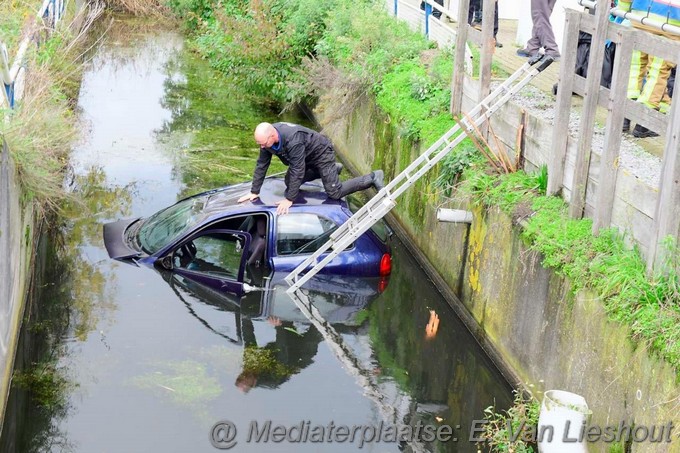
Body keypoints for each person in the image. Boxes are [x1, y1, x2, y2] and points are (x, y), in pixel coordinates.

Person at [238, 122, 384, 215]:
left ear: (272, 136)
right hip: (305, 156)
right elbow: (261, 164)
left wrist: (289, 199)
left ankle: (372, 177)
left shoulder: (292, 140)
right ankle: (332, 170)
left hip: (321, 153)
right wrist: (254, 191)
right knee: (289, 182)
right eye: (260, 144)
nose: (262, 147)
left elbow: (298, 169)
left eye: (263, 143)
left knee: (334, 192)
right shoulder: (267, 140)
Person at [618, 0, 679, 137]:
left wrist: (623, 10)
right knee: (658, 71)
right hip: (672, 22)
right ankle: (643, 123)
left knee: (635, 66)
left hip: (639, 17)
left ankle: (624, 117)